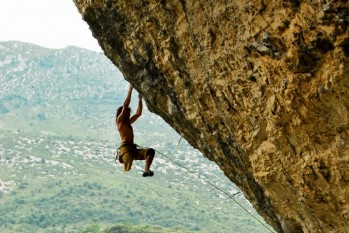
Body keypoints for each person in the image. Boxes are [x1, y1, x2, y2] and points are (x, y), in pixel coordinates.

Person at [116, 83, 155, 177]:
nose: (129, 115)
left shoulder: (128, 122)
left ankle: (146, 170)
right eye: (128, 113)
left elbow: (138, 113)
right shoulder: (120, 121)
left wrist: (140, 99)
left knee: (150, 152)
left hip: (132, 148)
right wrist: (130, 90)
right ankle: (121, 157)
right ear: (123, 113)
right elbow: (125, 106)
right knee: (127, 160)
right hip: (125, 147)